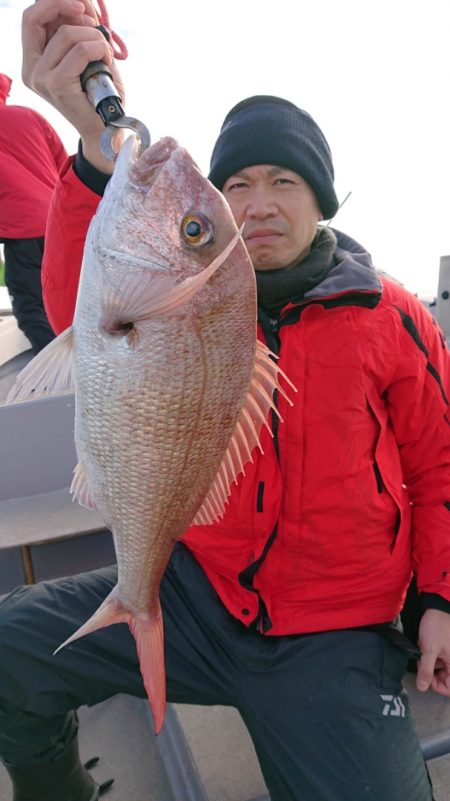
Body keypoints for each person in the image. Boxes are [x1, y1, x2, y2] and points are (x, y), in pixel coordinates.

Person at [1, 2, 450, 799]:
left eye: (285, 180)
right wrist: (96, 157)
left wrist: (442, 599)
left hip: (335, 633)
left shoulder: (393, 316)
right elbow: (87, 306)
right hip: (197, 593)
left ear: (323, 199)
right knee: (7, 646)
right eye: (236, 183)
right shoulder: (190, 301)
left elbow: (442, 465)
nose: (260, 201)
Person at [0, 72, 67, 353]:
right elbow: (63, 162)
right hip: (59, 224)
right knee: (69, 301)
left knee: (31, 309)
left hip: (21, 231)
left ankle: (63, 381)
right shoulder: (28, 116)